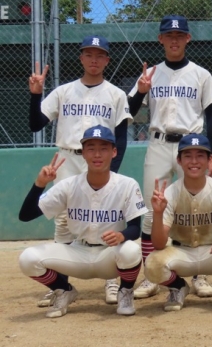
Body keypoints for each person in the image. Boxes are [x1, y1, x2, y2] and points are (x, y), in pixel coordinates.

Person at [28, 35, 133, 306]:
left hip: (100, 159)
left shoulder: (116, 94)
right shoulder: (63, 91)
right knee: (63, 219)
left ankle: (112, 282)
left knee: (110, 216)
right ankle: (61, 286)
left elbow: (121, 136)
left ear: (107, 60)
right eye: (89, 54)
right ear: (81, 58)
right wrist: (36, 94)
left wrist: (112, 168)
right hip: (68, 158)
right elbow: (36, 124)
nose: (94, 59)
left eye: (99, 55)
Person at [128, 15, 212, 299]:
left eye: (179, 35)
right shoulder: (150, 73)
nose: (174, 40)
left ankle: (198, 273)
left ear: (188, 39)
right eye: (169, 35)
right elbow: (129, 111)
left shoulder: (201, 74)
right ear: (161, 39)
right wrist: (141, 92)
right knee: (151, 210)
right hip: (158, 144)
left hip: (191, 146)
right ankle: (152, 274)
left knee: (195, 208)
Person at [18, 125, 146, 318]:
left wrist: (121, 236)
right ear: (83, 153)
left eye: (103, 148)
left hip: (109, 256)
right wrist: (40, 184)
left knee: (131, 250)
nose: (97, 154)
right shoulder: (69, 185)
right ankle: (63, 290)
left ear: (114, 152)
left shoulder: (127, 184)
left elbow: (135, 228)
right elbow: (26, 215)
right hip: (77, 252)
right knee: (28, 258)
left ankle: (125, 291)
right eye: (91, 148)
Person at [144, 134, 212, 311]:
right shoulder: (170, 193)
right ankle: (178, 287)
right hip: (181, 254)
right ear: (179, 160)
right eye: (188, 156)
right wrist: (158, 213)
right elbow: (159, 244)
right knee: (152, 264)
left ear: (209, 160)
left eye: (200, 155)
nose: (194, 161)